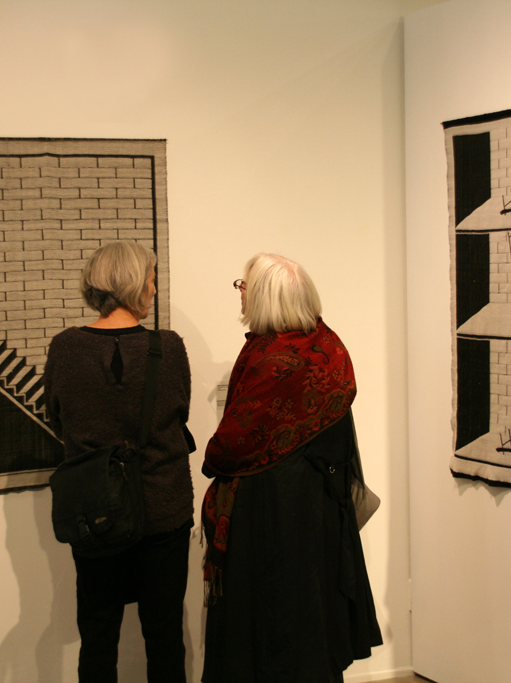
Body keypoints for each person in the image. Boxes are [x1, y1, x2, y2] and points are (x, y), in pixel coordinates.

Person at [201, 253, 382, 683]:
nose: (240, 293)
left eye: (244, 286)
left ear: (265, 296)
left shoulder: (272, 359)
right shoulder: (329, 346)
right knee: (309, 617)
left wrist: (212, 457)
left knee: (268, 624)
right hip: (317, 509)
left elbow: (230, 446)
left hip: (269, 513)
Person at [43, 241, 194, 683]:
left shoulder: (66, 348)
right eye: (151, 276)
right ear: (133, 284)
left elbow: (57, 417)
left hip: (96, 511)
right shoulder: (169, 347)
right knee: (164, 634)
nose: (154, 286)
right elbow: (179, 411)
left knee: (98, 631)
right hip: (163, 508)